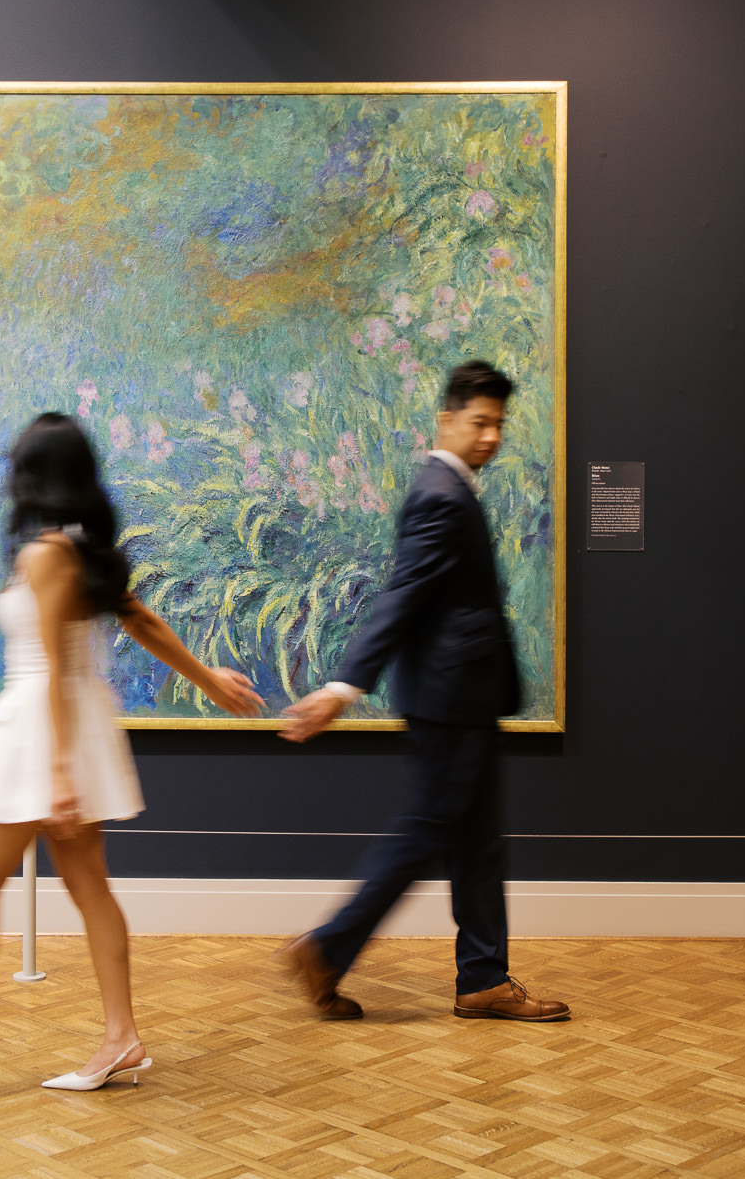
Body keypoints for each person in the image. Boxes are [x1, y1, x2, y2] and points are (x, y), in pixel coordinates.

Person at [0, 413, 263, 1089]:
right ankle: (119, 1035)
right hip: (67, 725)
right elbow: (143, 621)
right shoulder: (83, 552)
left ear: (33, 477)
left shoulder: (45, 555)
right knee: (86, 887)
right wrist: (210, 680)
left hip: (41, 733)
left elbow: (50, 664)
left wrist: (58, 775)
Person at [278, 360, 568, 1024]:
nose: (492, 435)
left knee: (478, 842)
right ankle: (325, 947)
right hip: (449, 700)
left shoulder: (450, 487)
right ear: (448, 419)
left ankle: (483, 978)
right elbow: (401, 597)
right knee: (426, 833)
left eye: (500, 423)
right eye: (480, 421)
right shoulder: (441, 492)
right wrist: (342, 686)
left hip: (459, 697)